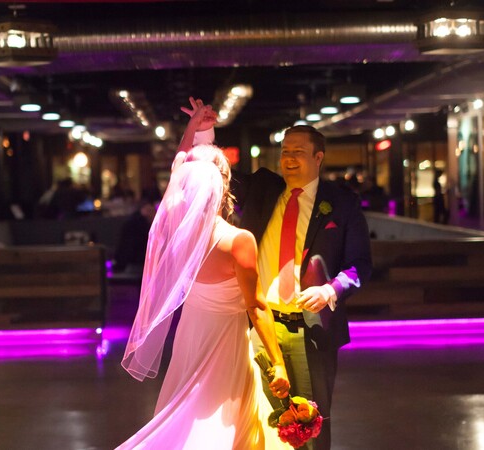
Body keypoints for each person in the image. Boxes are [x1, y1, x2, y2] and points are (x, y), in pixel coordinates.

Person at [181, 97, 373, 450]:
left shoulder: (341, 203)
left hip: (310, 330)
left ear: (318, 157)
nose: (289, 158)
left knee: (310, 424)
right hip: (260, 327)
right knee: (261, 420)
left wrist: (330, 290)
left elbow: (360, 265)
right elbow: (213, 172)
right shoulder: (264, 188)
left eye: (298, 152)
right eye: (285, 151)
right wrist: (204, 132)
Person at [118, 129, 292, 448]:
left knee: (185, 417)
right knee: (219, 427)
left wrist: (194, 130)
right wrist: (278, 363)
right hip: (225, 342)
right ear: (223, 187)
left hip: (189, 337)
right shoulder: (237, 241)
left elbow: (178, 171)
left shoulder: (177, 234)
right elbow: (256, 307)